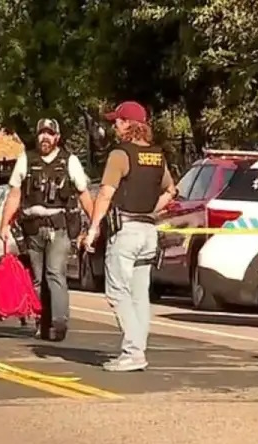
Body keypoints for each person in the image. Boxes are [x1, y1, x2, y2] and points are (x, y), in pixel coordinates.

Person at [82, 101, 177, 372]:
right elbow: (171, 190)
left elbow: (105, 193)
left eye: (118, 121)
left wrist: (93, 229)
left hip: (125, 231)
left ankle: (133, 352)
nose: (114, 125)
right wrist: (150, 210)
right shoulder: (158, 156)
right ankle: (138, 350)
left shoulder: (120, 155)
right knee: (139, 295)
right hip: (148, 231)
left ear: (128, 124)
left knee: (116, 292)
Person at [0, 118, 94, 341]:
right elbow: (14, 194)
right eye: (42, 133)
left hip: (59, 227)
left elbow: (83, 194)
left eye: (50, 133)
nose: (45, 137)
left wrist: (94, 223)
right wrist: (4, 224)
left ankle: (59, 322)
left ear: (57, 137)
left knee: (55, 272)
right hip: (32, 228)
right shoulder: (26, 160)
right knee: (37, 279)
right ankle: (42, 322)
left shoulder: (69, 161)